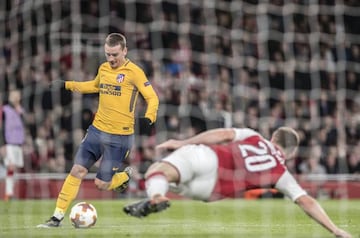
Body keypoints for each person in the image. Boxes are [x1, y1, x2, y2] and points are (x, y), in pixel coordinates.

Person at [124, 127, 352, 238]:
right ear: (290, 154)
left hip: (210, 159)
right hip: (210, 191)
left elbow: (222, 134)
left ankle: (155, 196)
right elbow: (306, 201)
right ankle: (156, 194)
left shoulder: (254, 136)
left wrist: (184, 142)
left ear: (272, 138)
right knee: (172, 181)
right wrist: (335, 229)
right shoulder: (281, 171)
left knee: (158, 171)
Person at [37, 33, 159, 228]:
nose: (110, 59)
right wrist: (67, 85)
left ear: (125, 51)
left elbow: (152, 98)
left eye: (115, 55)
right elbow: (94, 86)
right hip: (97, 130)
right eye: (107, 54)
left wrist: (149, 118)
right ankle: (56, 217)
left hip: (120, 137)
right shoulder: (103, 68)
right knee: (77, 170)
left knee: (101, 184)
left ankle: (125, 175)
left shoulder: (135, 72)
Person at [0, 89, 26, 201]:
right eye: (15, 95)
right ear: (11, 96)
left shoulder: (20, 111)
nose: (17, 97)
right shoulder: (4, 110)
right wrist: (2, 144)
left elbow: (24, 126)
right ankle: (8, 194)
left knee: (14, 168)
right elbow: (1, 127)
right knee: (10, 167)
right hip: (8, 143)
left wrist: (20, 112)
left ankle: (10, 192)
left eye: (18, 95)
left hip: (18, 143)